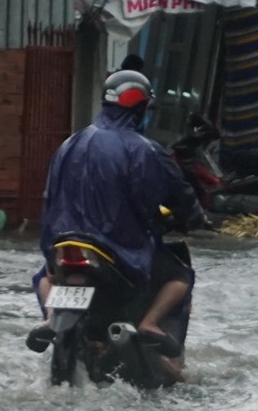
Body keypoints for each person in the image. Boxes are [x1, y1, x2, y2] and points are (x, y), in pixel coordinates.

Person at [30, 69, 203, 355]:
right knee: (180, 275)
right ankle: (150, 324)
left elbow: (48, 200)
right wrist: (194, 218)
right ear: (140, 107)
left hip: (65, 246)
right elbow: (175, 195)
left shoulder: (68, 144)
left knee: (44, 277)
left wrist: (50, 249)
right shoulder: (144, 150)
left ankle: (51, 318)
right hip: (121, 251)